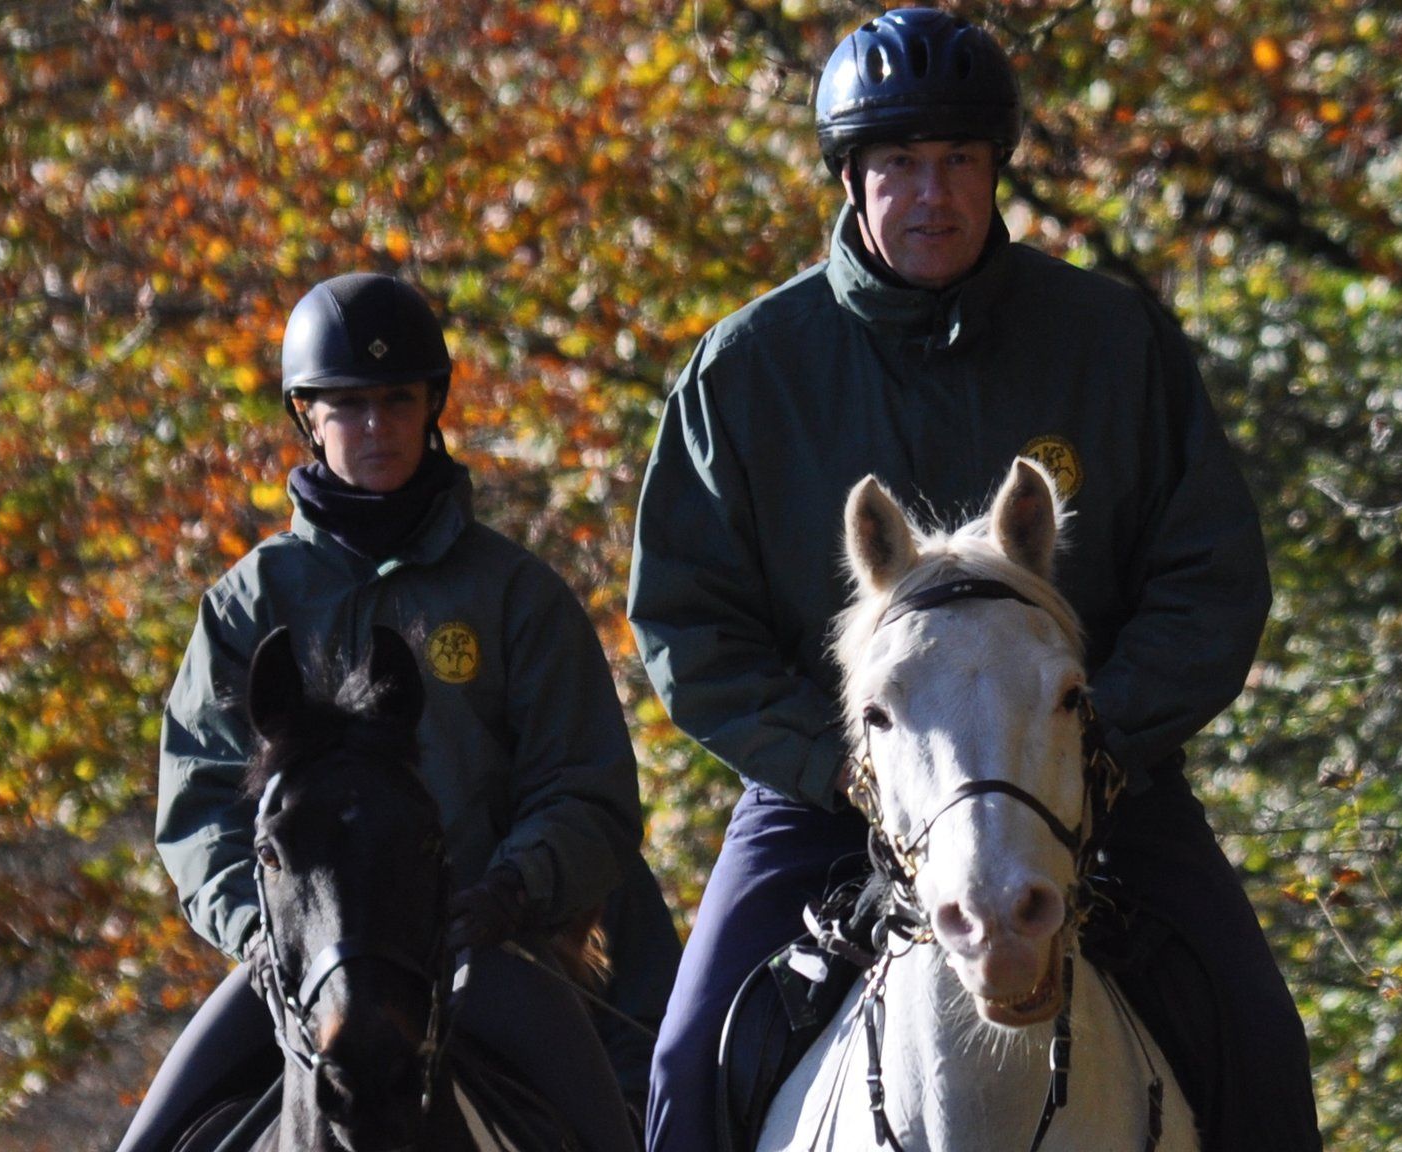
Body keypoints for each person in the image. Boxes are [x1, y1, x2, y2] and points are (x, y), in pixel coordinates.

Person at [628, 9, 1321, 1151]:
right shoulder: (745, 371)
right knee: (687, 1054)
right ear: (850, 180)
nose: (930, 194)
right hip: (829, 799)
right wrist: (836, 765)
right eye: (898, 163)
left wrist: (1098, 736)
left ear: (995, 171)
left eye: (957, 161)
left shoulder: (1111, 340)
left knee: (1255, 1031)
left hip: (1092, 785)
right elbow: (687, 626)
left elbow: (1208, 577)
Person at [120, 272, 678, 1152]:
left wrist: (507, 892)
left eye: (395, 400)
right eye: (348, 406)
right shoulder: (245, 605)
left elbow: (588, 791)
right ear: (307, 415)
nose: (375, 426)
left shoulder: (516, 596)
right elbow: (198, 813)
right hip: (300, 963)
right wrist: (260, 929)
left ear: (432, 405)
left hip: (481, 950)